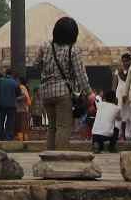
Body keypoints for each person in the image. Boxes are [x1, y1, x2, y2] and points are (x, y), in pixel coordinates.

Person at [33, 15, 94, 150]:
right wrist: (89, 93)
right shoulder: (73, 49)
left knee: (52, 127)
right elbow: (81, 74)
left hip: (46, 93)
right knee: (63, 126)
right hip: (63, 93)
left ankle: (49, 156)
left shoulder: (45, 46)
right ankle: (59, 159)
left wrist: (48, 69)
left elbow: (36, 65)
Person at [91, 88, 122, 152]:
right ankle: (111, 147)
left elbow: (95, 102)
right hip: (106, 135)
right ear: (114, 98)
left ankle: (97, 145)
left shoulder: (100, 104)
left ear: (105, 98)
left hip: (94, 134)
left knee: (99, 130)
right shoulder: (117, 108)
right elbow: (119, 119)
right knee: (116, 128)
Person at [0, 68, 20, 141]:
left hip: (2, 104)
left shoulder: (0, 81)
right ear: (11, 74)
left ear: (5, 73)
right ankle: (9, 136)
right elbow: (18, 94)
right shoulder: (14, 82)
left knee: (1, 120)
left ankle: (0, 136)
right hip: (12, 105)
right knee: (10, 122)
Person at [112, 52, 131, 141]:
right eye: (123, 61)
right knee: (119, 114)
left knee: (128, 115)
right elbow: (114, 85)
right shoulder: (118, 71)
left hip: (129, 95)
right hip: (119, 95)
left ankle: (128, 135)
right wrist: (113, 97)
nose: (125, 63)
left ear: (130, 61)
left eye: (127, 61)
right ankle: (119, 134)